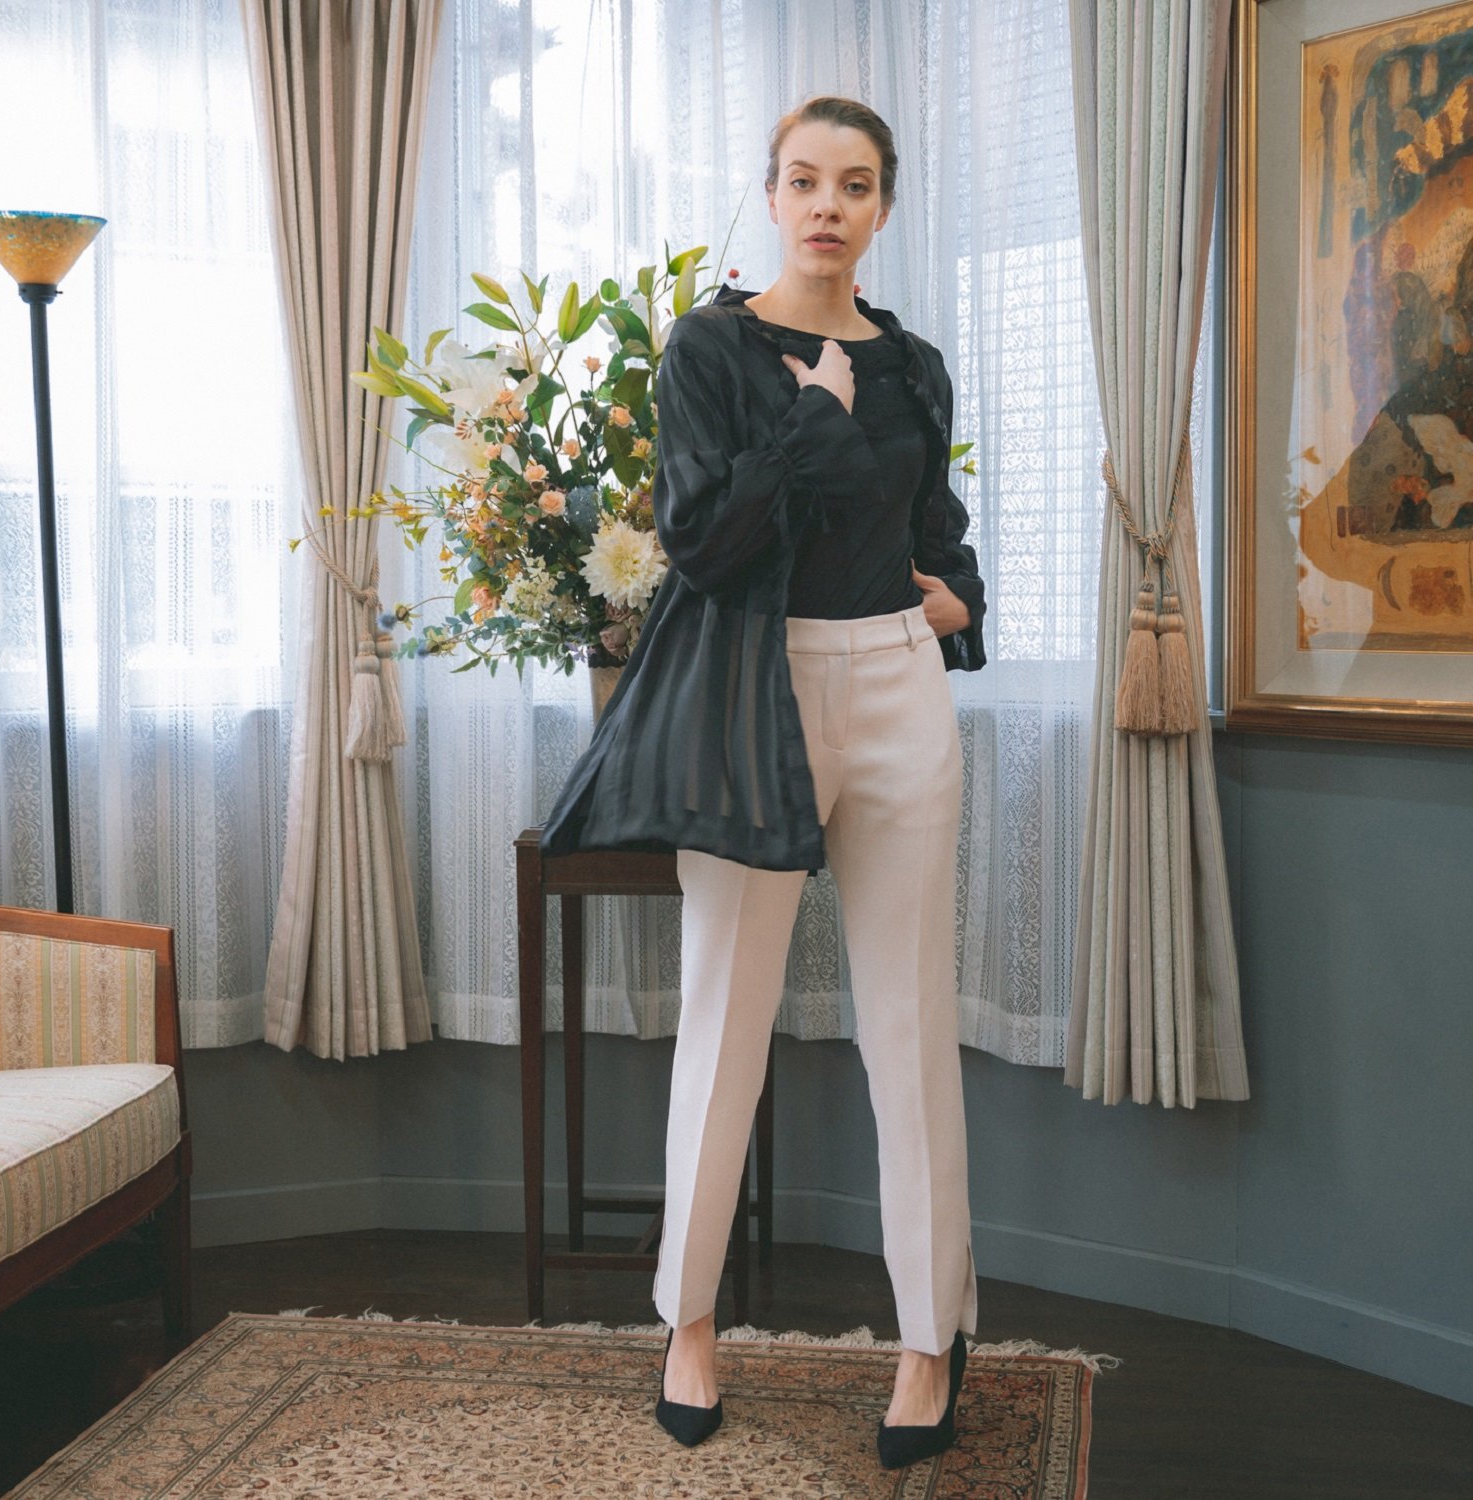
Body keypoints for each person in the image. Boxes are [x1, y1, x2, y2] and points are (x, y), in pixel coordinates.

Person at [539, 94, 987, 1470]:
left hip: (898, 687)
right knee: (724, 1014)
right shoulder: (712, 350)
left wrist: (957, 598)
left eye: (854, 184)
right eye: (804, 180)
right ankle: (688, 1322)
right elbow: (700, 540)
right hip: (757, 691)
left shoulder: (914, 366)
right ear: (775, 193)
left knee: (909, 1025)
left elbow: (936, 524)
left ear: (883, 206)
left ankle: (929, 1342)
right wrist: (806, 422)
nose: (827, 206)